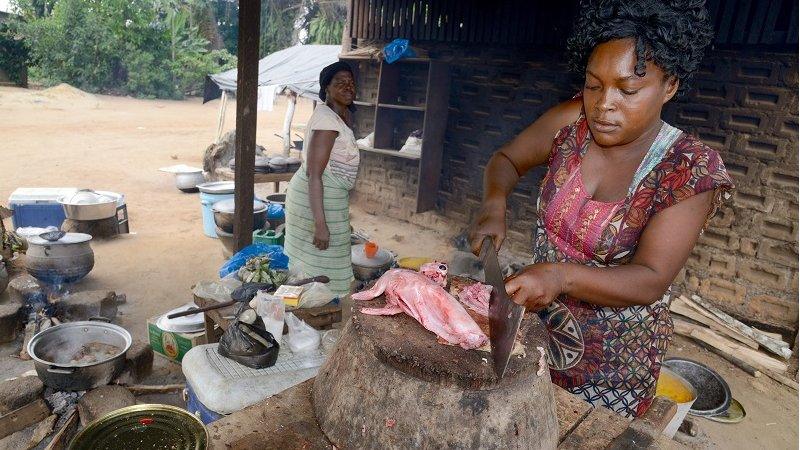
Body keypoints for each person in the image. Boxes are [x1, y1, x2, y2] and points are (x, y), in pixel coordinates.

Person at [470, 0, 733, 418]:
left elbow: (649, 279)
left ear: (670, 87)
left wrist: (559, 275)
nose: (604, 105)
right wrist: (494, 203)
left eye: (628, 90)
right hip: (536, 333)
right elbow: (506, 160)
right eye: (594, 85)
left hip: (610, 369)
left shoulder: (688, 169)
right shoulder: (572, 122)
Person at [284, 62, 359, 297]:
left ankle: (316, 312)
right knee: (323, 262)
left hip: (326, 196)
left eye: (350, 82)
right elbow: (314, 175)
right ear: (326, 87)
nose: (348, 87)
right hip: (316, 197)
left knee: (317, 264)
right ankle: (319, 314)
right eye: (340, 82)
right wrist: (320, 225)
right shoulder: (327, 122)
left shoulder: (337, 116)